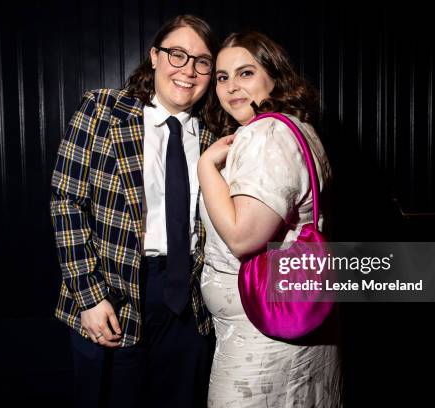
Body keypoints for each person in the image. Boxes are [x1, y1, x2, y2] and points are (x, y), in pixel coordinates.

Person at [50, 15, 218, 408]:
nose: (189, 70)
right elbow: (66, 201)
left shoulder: (215, 133)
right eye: (178, 55)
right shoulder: (104, 110)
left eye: (202, 61)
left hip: (188, 304)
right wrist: (89, 297)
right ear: (154, 57)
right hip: (114, 295)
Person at [198, 31, 342, 407]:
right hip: (285, 329)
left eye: (245, 73)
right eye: (222, 77)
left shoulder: (266, 134)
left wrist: (205, 170)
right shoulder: (297, 127)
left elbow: (243, 237)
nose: (230, 88)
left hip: (263, 341)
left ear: (274, 76)